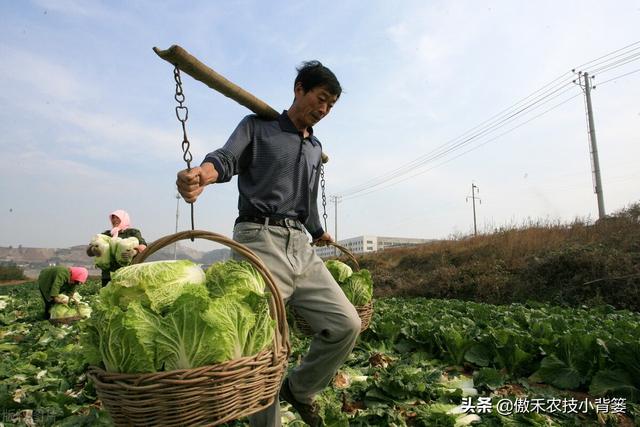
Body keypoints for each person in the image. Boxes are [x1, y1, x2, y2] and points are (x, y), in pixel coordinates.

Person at [177, 60, 360, 427]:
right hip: (259, 240)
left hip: (300, 247)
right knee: (266, 347)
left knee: (347, 324)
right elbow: (225, 159)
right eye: (320, 99)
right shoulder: (257, 127)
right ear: (299, 89)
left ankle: (299, 388)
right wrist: (202, 175)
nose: (323, 110)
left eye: (331, 105)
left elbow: (307, 200)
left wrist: (318, 229)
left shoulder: (315, 148)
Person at [87, 209, 147, 287]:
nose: (114, 220)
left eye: (117, 218)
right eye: (113, 218)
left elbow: (143, 247)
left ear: (124, 218)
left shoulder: (132, 232)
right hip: (107, 276)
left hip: (127, 273)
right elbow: (89, 252)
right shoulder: (106, 234)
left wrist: (133, 252)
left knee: (126, 297)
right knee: (108, 297)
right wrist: (94, 250)